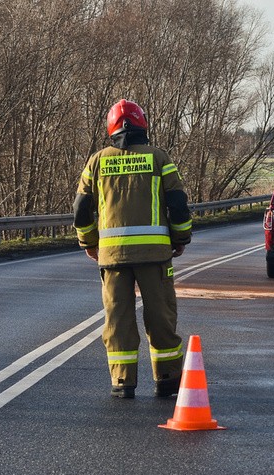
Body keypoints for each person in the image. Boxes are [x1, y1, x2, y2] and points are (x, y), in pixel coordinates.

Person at [73, 99, 192, 399]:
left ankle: (122, 382)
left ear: (111, 128)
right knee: (160, 317)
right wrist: (180, 239)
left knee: (118, 320)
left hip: (112, 258)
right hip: (154, 256)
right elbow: (178, 204)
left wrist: (90, 243)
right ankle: (166, 379)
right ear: (142, 124)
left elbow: (81, 208)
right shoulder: (159, 158)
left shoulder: (97, 161)